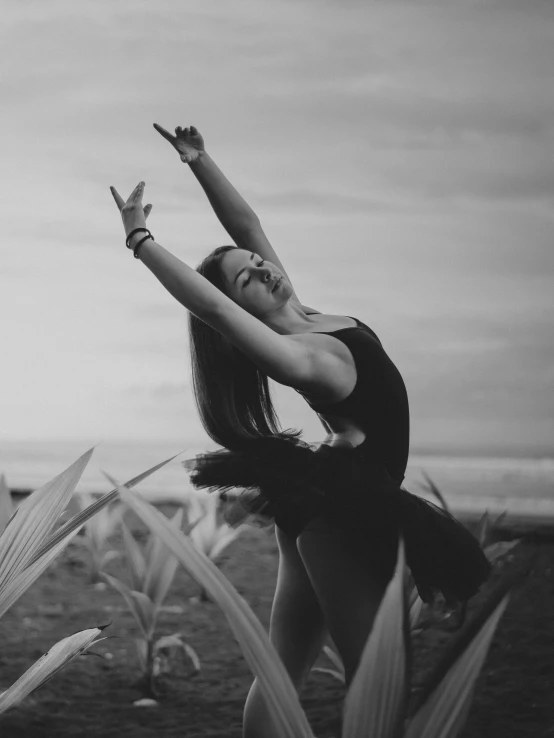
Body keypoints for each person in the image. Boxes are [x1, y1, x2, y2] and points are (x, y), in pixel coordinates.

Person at [110, 123, 490, 738]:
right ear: (243, 309)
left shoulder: (302, 311)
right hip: (343, 516)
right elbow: (210, 307)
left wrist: (200, 161)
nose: (262, 268)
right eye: (247, 280)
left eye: (258, 265)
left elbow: (249, 228)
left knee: (283, 670)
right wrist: (140, 239)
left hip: (324, 502)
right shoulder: (299, 355)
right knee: (375, 680)